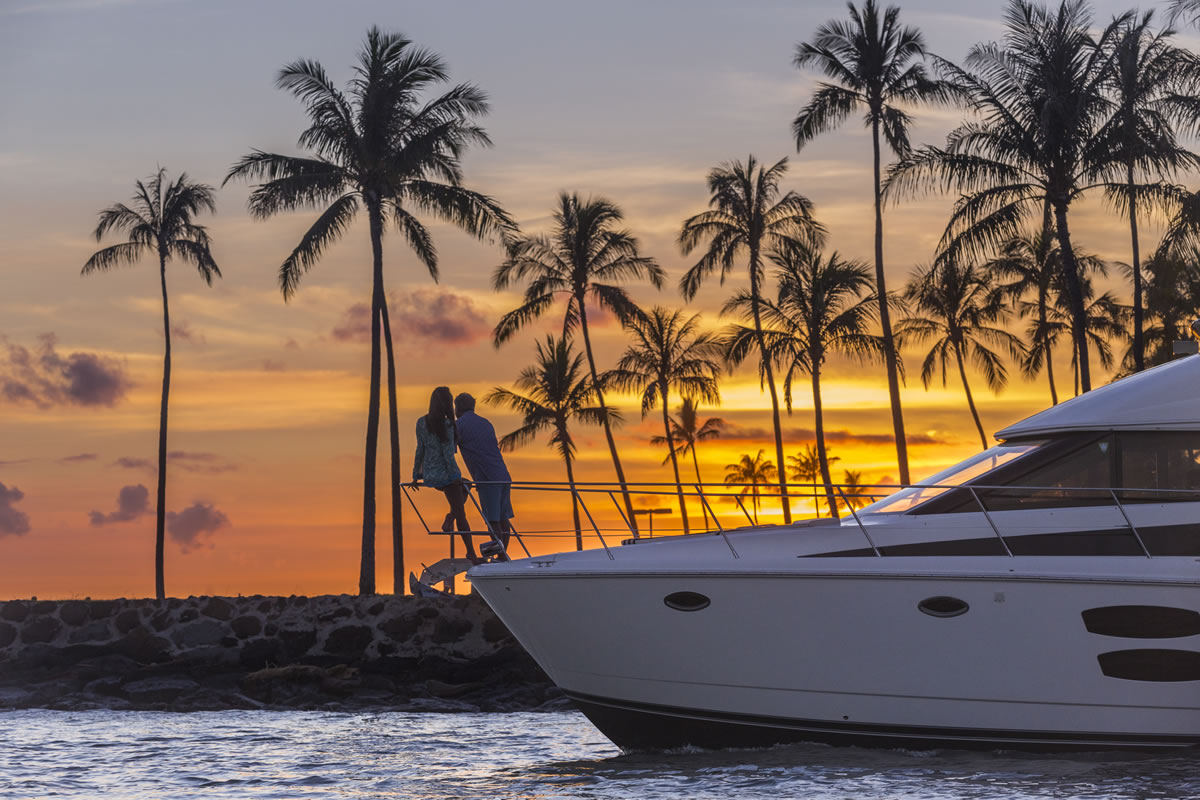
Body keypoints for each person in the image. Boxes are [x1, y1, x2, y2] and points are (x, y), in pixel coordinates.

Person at [411, 386, 479, 563]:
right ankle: (471, 553)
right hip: (446, 476)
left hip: (430, 475)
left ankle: (450, 518)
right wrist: (455, 476)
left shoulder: (421, 422)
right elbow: (448, 454)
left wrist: (416, 475)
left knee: (467, 484)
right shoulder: (447, 425)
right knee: (462, 515)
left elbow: (420, 449)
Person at [454, 392, 514, 558]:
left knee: (492, 520)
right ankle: (502, 555)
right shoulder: (486, 423)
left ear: (457, 408)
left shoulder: (459, 425)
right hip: (502, 475)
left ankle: (501, 556)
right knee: (503, 519)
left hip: (487, 478)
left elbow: (450, 449)